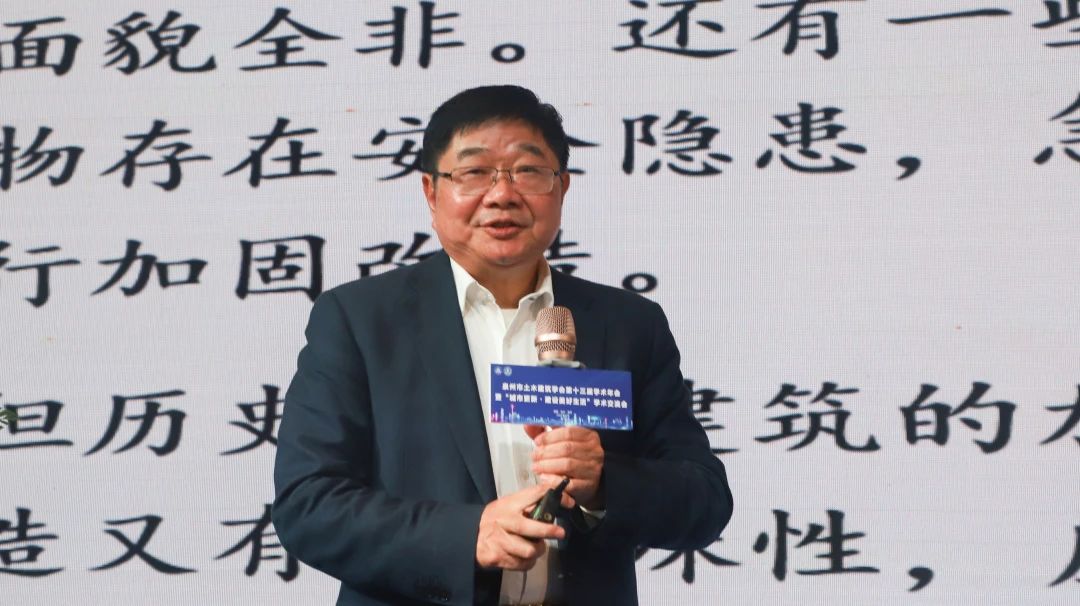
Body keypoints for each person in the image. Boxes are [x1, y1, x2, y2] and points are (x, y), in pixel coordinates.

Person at [272, 85, 733, 606]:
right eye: (473, 172)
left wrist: (603, 482)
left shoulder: (628, 324)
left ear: (562, 187)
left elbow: (704, 500)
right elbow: (308, 505)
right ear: (431, 191)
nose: (502, 194)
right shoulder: (360, 320)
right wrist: (468, 536)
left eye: (528, 171)